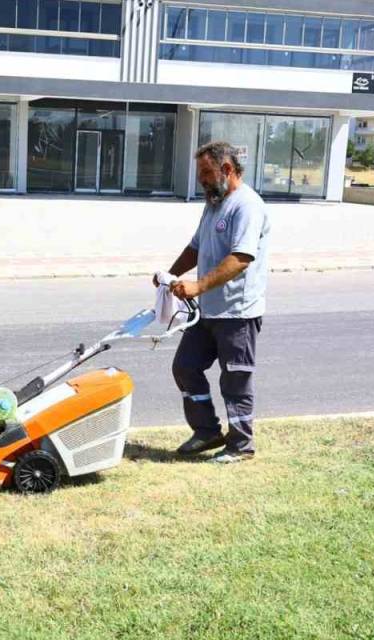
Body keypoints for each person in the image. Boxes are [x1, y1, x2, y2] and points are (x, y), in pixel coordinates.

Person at [159, 141, 271, 464]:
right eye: (200, 174)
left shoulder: (247, 206)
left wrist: (197, 285)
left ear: (227, 169)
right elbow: (195, 247)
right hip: (208, 309)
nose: (202, 181)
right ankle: (207, 430)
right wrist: (169, 275)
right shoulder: (213, 203)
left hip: (237, 312)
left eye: (206, 173)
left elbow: (241, 258)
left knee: (235, 378)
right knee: (185, 366)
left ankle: (241, 446)